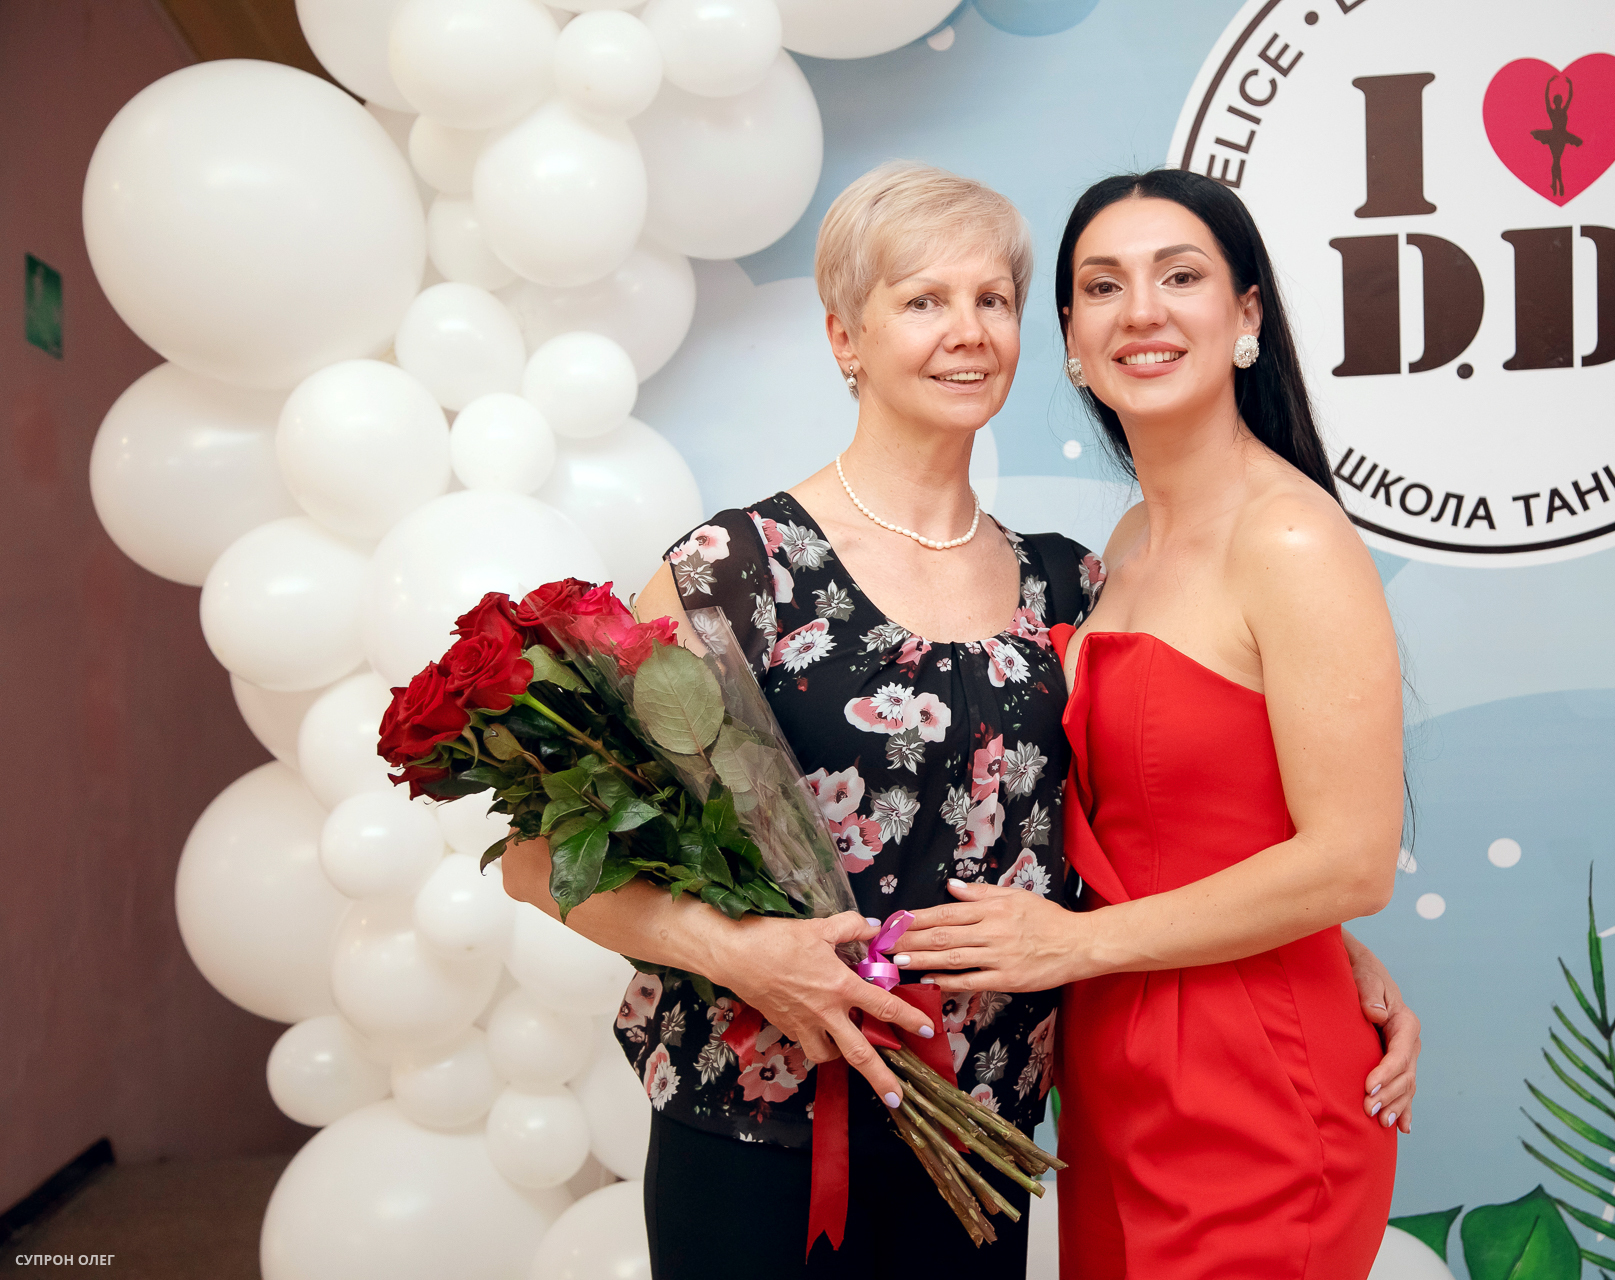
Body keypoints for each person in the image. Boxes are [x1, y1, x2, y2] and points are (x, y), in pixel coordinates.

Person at [500, 162, 1417, 1279]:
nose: (967, 332)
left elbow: (1148, 811)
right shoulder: (737, 571)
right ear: (845, 337)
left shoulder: (1065, 581)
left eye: (992, 300)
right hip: (757, 1126)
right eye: (923, 300)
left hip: (983, 1140)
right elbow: (542, 856)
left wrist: (1326, 946)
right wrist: (742, 954)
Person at [889, 168, 1408, 1278]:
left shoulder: (1291, 538)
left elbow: (1355, 859)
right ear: (1072, 340)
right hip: (1116, 1078)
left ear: (1247, 315)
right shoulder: (1123, 545)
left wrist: (1075, 945)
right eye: (1102, 286)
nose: (1141, 312)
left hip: (1256, 1083)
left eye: (1181, 277)